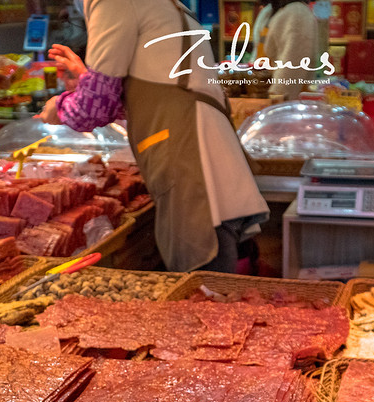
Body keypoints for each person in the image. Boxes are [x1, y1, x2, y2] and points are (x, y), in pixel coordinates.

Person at [37, 0, 269, 273]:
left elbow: (91, 109)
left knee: (207, 292)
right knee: (215, 289)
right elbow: (146, 90)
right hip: (206, 157)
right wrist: (87, 80)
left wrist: (58, 106)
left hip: (192, 162)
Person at [261, 0, 320, 100]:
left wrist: (277, 94)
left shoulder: (297, 13)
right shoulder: (292, 11)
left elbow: (292, 61)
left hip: (287, 97)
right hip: (289, 92)